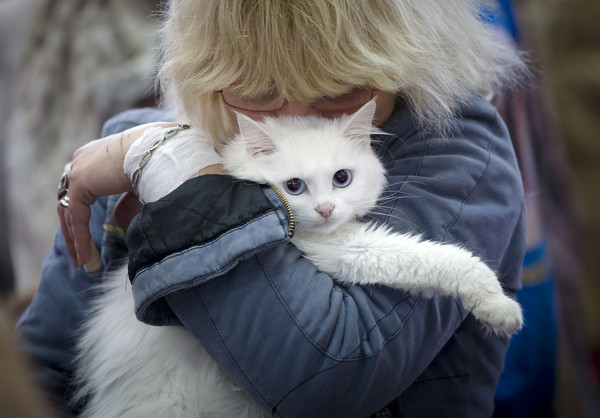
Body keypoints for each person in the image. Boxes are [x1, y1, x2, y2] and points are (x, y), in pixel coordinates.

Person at [16, 1, 527, 416]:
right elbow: (41, 374)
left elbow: (330, 379)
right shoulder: (133, 143)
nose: (294, 117)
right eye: (259, 89)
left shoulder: (459, 152)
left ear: (399, 62)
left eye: (339, 88)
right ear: (211, 72)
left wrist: (179, 172)